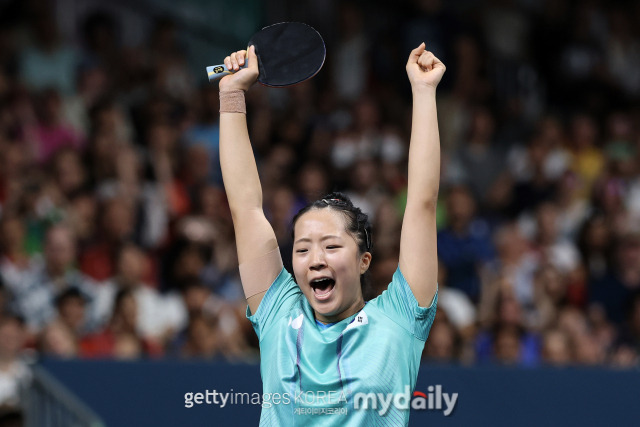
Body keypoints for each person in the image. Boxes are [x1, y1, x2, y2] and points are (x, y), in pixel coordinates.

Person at [218, 43, 444, 425]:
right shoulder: (277, 311)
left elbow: (421, 203)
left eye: (331, 245)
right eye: (303, 249)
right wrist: (231, 95)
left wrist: (424, 92)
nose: (316, 258)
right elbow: (245, 208)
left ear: (363, 260)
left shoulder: (399, 319)